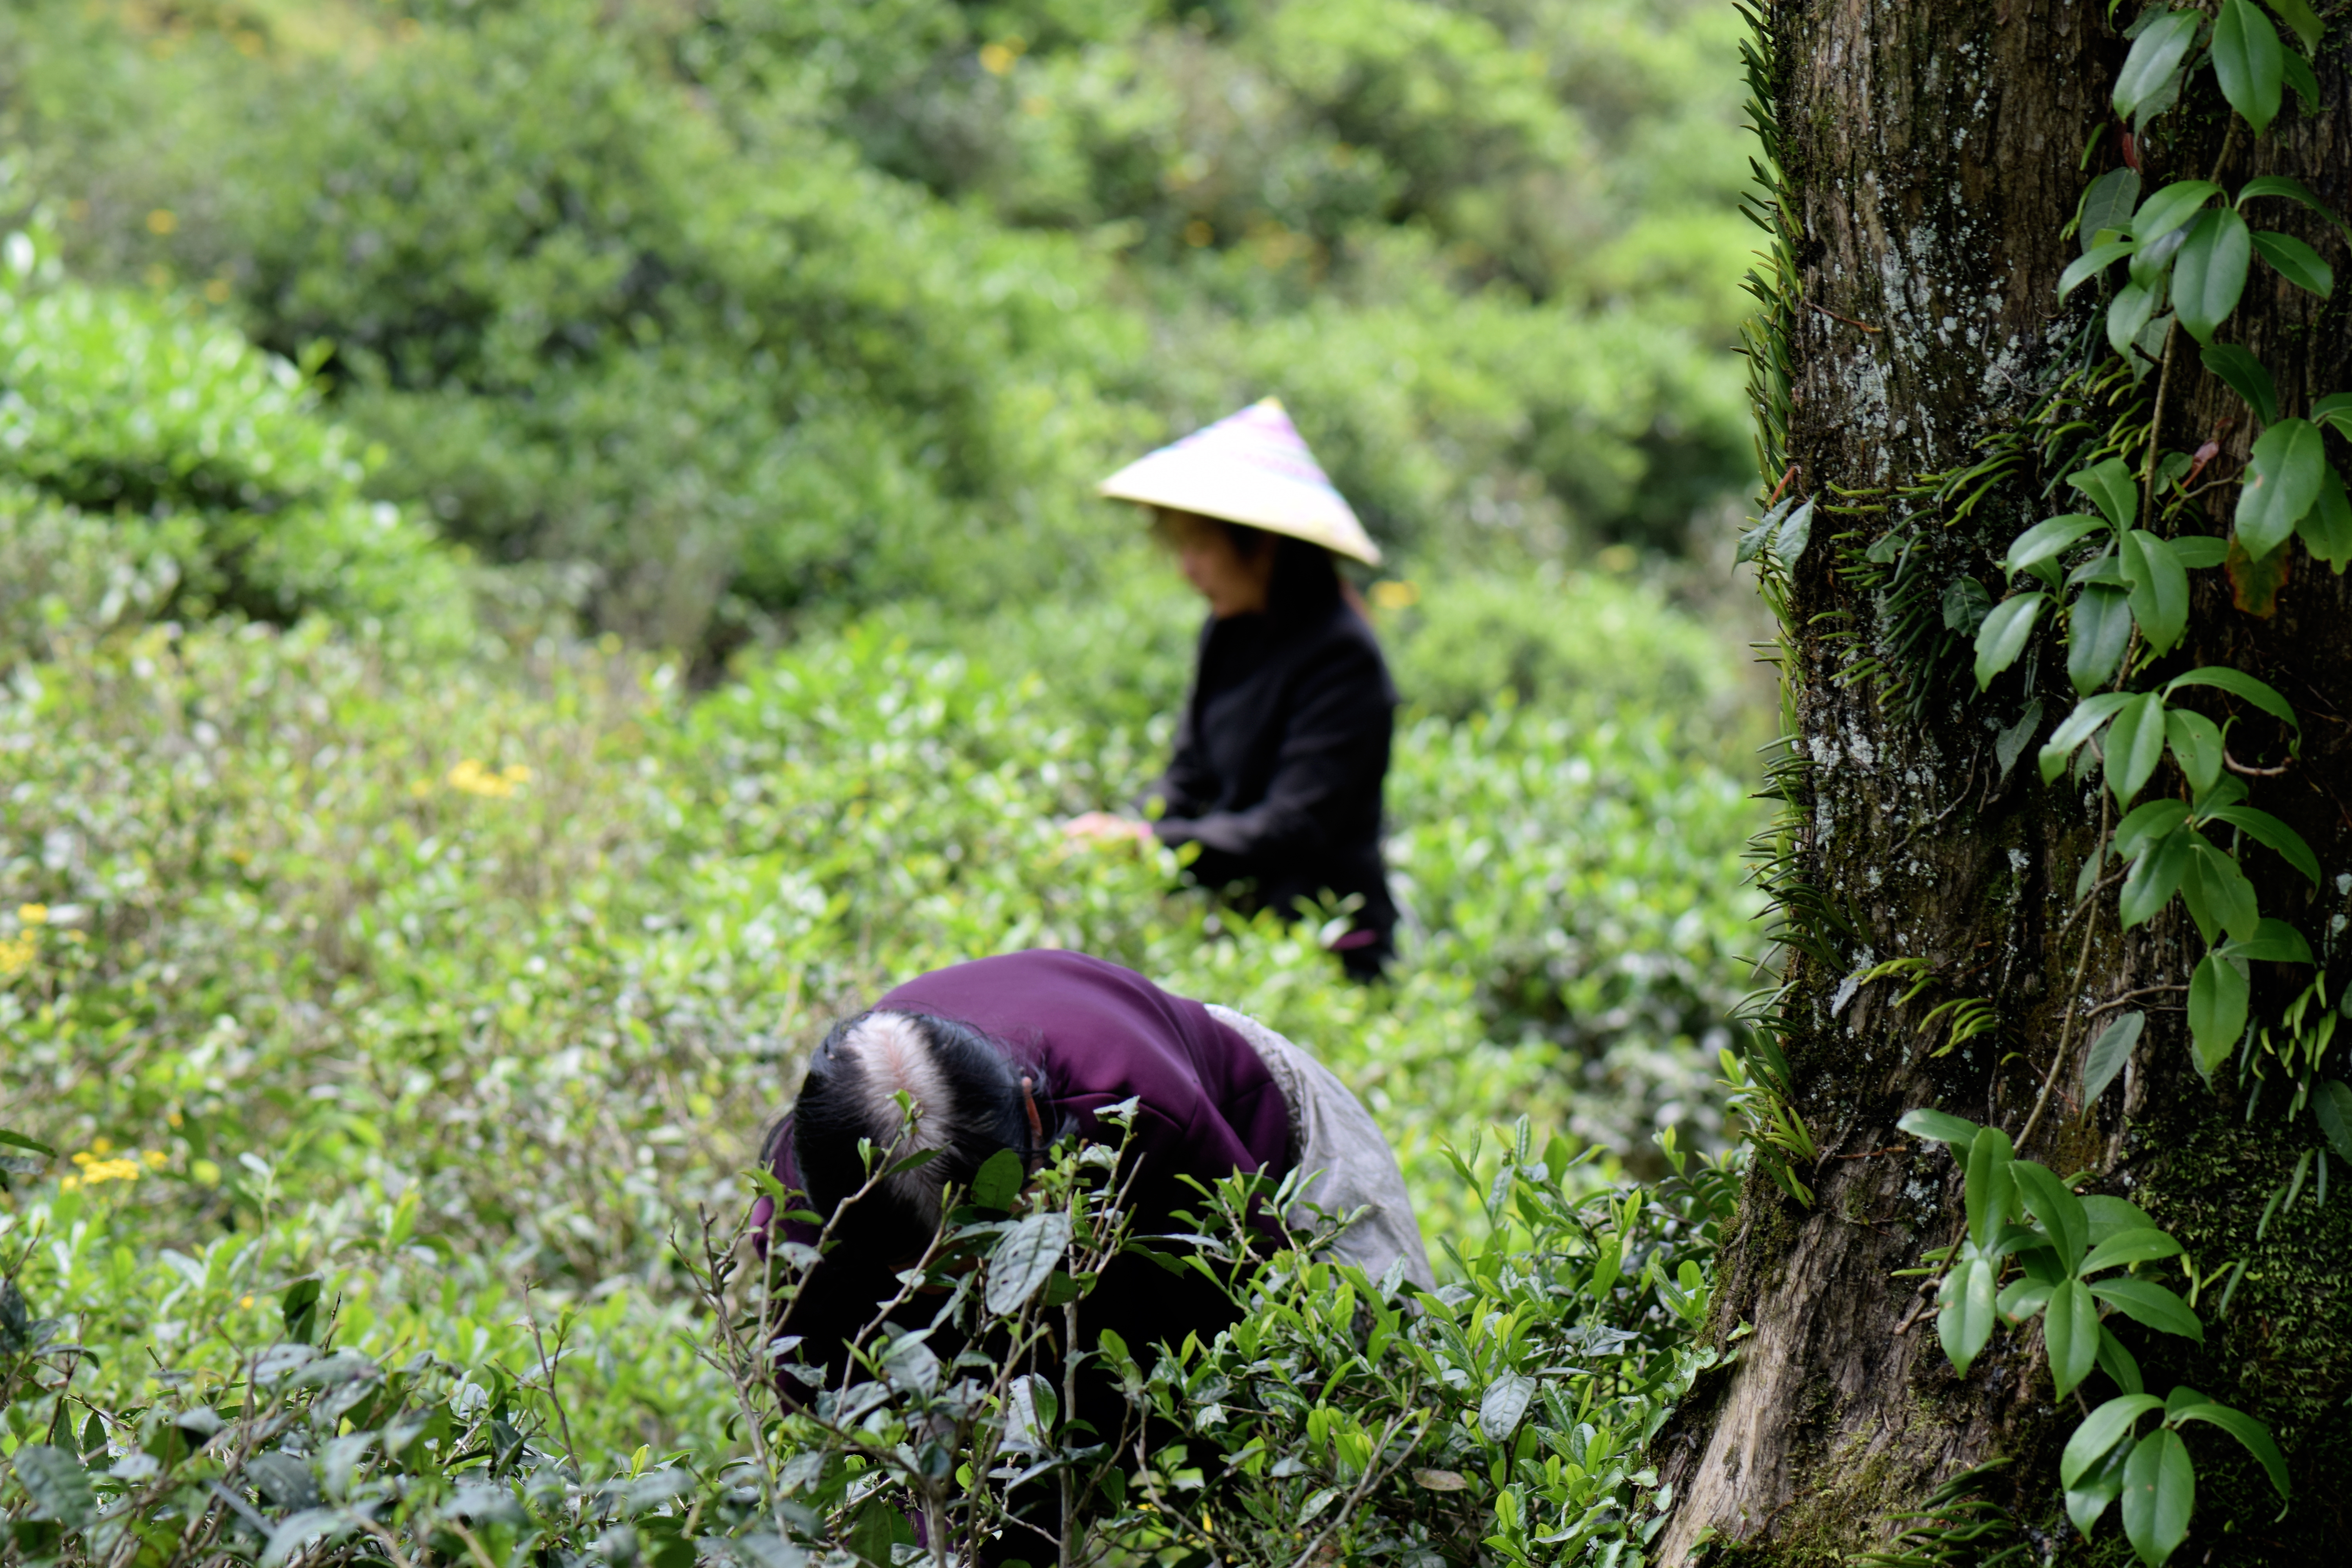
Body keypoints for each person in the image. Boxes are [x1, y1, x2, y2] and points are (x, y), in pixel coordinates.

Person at [754, 949, 1431, 1408]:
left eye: (984, 1246)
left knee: (1376, 1388)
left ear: (1030, 1115)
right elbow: (827, 1401)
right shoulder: (812, 1199)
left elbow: (1246, 1313)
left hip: (1261, 1139)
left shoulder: (1138, 1109)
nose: (970, 1281)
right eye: (930, 1269)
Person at [1065, 398, 1401, 978]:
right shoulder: (1228, 631)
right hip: (1235, 928)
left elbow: (1292, 828)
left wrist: (1146, 843)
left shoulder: (1344, 657)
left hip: (1321, 949)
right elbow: (1190, 773)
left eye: (1199, 547)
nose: (1187, 569)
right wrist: (1123, 831)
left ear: (1261, 545)